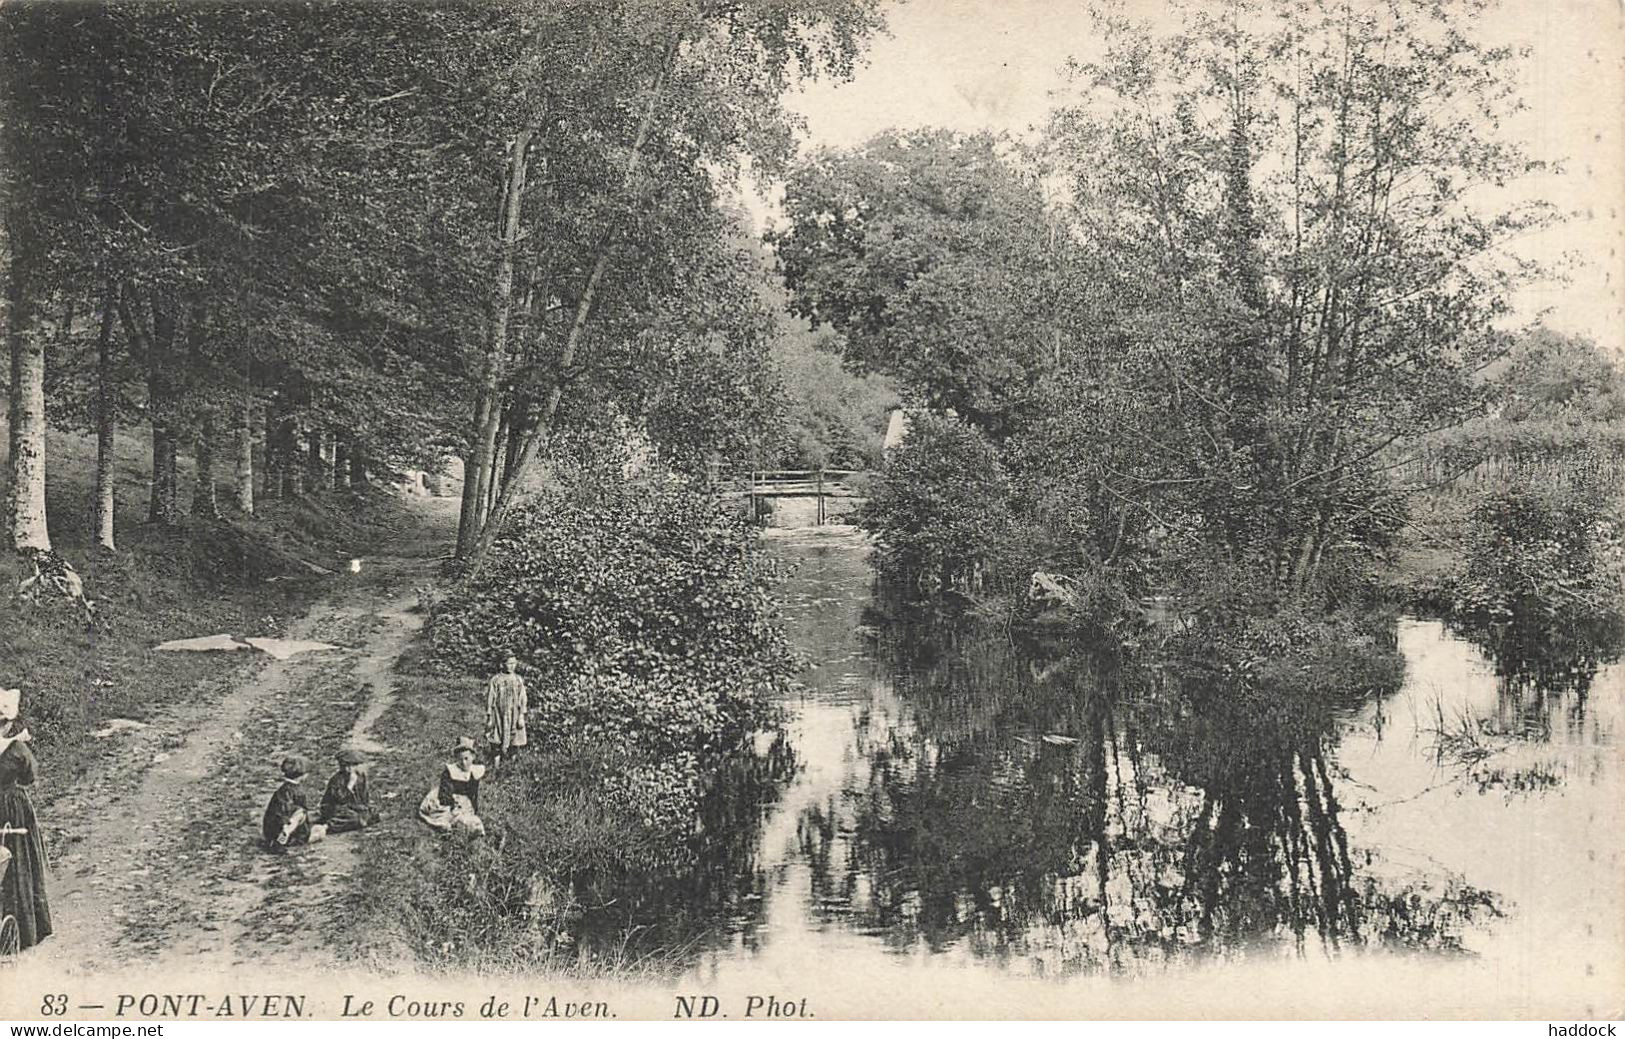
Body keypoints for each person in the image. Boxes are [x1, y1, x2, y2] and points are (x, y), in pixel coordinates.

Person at [0, 687, 51, 951]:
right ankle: (27, 928)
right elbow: (30, 778)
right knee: (18, 859)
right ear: (7, 723)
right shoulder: (18, 749)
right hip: (13, 808)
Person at [418, 736, 485, 836]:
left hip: (464, 802)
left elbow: (473, 793)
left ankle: (471, 829)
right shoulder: (450, 772)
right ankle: (447, 827)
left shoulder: (474, 772)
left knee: (471, 819)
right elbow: (445, 791)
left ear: (473, 757)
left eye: (466, 759)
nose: (463, 762)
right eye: (460, 759)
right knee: (446, 817)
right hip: (448, 800)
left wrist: (473, 807)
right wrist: (452, 803)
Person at [261, 755, 320, 853]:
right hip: (283, 827)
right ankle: (281, 839)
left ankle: (278, 838)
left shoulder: (283, 789)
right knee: (316, 829)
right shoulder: (295, 790)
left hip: (271, 828)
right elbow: (290, 811)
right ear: (302, 775)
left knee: (301, 814)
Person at [319, 748, 380, 835]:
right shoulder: (337, 779)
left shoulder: (361, 777)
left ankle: (359, 821)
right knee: (352, 817)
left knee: (373, 812)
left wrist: (363, 807)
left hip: (353, 807)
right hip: (336, 808)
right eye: (345, 766)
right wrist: (350, 785)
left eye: (353, 766)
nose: (349, 769)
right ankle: (328, 826)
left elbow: (364, 797)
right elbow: (341, 800)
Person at [484, 654, 528, 770]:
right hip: (499, 713)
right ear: (502, 664)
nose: (512, 666)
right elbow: (490, 698)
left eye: (514, 663)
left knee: (515, 738)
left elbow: (523, 698)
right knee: (496, 736)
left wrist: (521, 715)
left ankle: (512, 766)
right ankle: (496, 765)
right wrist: (489, 716)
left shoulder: (518, 679)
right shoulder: (496, 680)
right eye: (509, 663)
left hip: (515, 713)